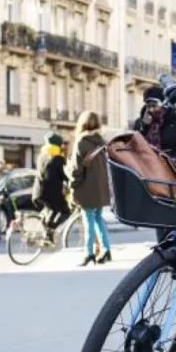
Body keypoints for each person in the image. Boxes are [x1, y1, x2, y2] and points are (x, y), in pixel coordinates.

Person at [133, 85, 176, 242]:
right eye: (148, 105)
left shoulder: (175, 119)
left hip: (173, 171)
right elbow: (135, 144)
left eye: (154, 105)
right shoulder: (141, 122)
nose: (151, 109)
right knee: (160, 213)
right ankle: (164, 248)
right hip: (152, 173)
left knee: (174, 211)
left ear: (163, 103)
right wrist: (144, 126)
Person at [68, 111, 113, 266]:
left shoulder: (81, 141)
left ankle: (89, 253)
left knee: (88, 221)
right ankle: (106, 250)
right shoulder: (101, 142)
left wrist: (72, 185)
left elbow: (76, 168)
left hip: (86, 188)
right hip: (100, 189)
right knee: (98, 219)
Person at [31, 132, 70, 241]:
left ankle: (47, 234)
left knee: (51, 211)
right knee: (66, 211)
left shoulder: (41, 156)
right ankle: (49, 232)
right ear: (58, 145)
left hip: (37, 192)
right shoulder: (58, 159)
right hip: (50, 194)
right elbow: (65, 175)